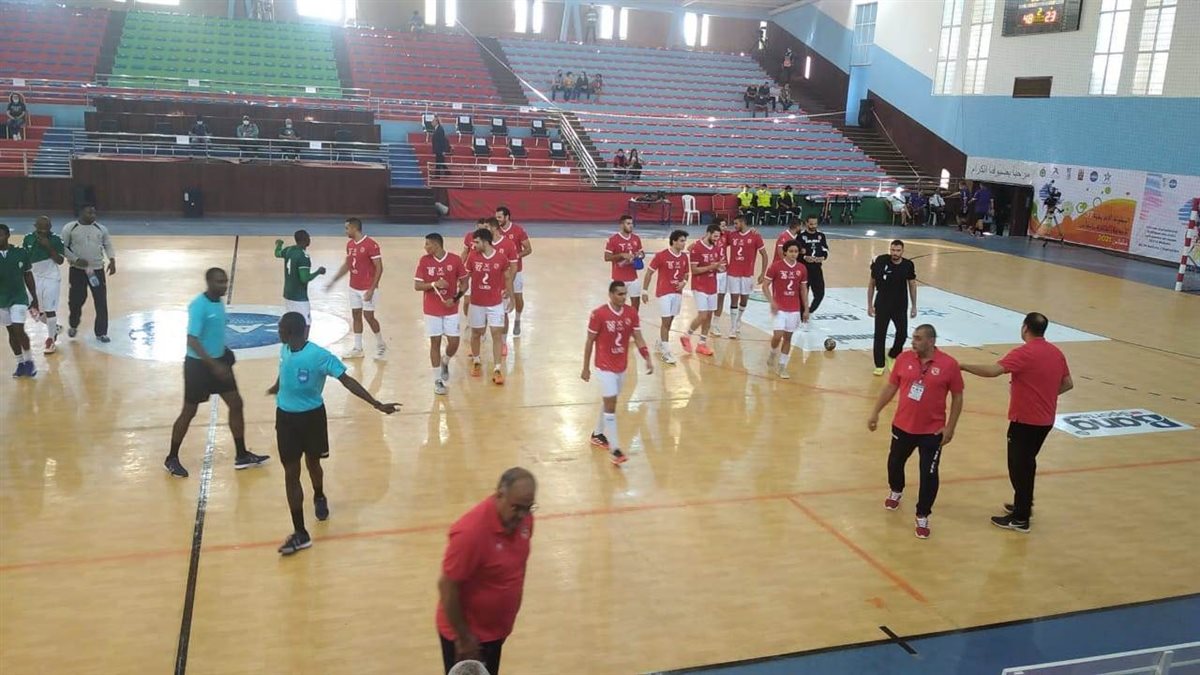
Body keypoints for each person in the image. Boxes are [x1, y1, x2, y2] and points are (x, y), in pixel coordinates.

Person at [268, 312, 400, 555]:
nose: (277, 333)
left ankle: (319, 495)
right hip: (285, 419)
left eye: (279, 329)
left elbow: (346, 381)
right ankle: (300, 532)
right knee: (291, 473)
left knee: (313, 463)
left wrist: (376, 403)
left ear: (290, 332)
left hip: (311, 418)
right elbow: (284, 367)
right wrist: (277, 387)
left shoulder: (319, 356)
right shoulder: (285, 348)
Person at [961, 312, 1073, 533]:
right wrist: (1046, 396)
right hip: (1045, 421)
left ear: (1025, 328)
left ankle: (1021, 518)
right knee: (1026, 463)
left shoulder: (1024, 353)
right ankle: (1023, 504)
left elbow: (993, 371)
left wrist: (963, 366)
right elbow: (1068, 383)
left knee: (1019, 466)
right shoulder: (1056, 353)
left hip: (1025, 420)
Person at [165, 268, 270, 478]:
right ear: (209, 282)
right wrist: (214, 365)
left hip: (219, 361)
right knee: (189, 412)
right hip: (198, 366)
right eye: (219, 282)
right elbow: (192, 340)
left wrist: (224, 353)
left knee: (236, 404)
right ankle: (172, 457)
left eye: (225, 281)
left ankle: (241, 455)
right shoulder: (199, 306)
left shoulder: (219, 303)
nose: (224, 285)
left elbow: (213, 335)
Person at [867, 324, 963, 539]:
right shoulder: (903, 359)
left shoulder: (949, 364)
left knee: (929, 474)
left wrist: (950, 427)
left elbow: (958, 396)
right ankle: (896, 489)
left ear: (931, 341)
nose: (913, 342)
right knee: (894, 463)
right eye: (913, 337)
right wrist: (875, 412)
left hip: (933, 431)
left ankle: (922, 514)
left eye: (918, 338)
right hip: (903, 426)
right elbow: (891, 387)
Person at [437, 467, 537, 675]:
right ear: (500, 495)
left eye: (528, 508)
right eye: (517, 508)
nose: (522, 515)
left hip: (494, 632)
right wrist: (464, 638)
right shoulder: (470, 533)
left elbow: (518, 564)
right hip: (468, 638)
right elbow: (447, 587)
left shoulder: (524, 519)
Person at [582, 281, 653, 465]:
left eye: (625, 294)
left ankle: (597, 434)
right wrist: (585, 367)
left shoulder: (631, 313)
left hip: (621, 366)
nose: (623, 297)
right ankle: (615, 450)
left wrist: (646, 356)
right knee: (611, 404)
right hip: (604, 366)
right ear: (611, 295)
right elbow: (590, 341)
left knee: (609, 401)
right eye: (620, 294)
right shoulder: (599, 314)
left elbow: (638, 337)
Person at [414, 232, 468, 396]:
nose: (425, 247)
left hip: (451, 309)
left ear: (436, 245)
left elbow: (464, 283)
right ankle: (437, 380)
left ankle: (446, 360)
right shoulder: (424, 261)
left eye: (428, 244)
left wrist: (455, 298)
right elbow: (417, 286)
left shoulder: (455, 260)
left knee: (454, 342)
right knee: (435, 342)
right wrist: (434, 284)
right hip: (432, 309)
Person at [327, 217, 385, 359]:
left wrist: (372, 289)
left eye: (347, 228)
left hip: (367, 287)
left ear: (354, 228)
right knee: (356, 315)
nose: (345, 231)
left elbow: (379, 267)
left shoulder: (371, 245)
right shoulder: (350, 245)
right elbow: (348, 264)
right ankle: (358, 348)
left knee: (369, 316)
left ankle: (381, 344)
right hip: (353, 286)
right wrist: (334, 280)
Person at [465, 227, 514, 385]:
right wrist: (459, 294)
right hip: (477, 303)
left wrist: (511, 297)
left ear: (485, 242)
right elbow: (465, 277)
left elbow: (507, 278)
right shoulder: (473, 257)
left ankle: (497, 369)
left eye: (476, 242)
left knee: (496, 334)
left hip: (495, 303)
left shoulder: (501, 258)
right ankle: (477, 361)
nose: (474, 245)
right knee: (476, 333)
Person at [61, 205, 115, 342]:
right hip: (77, 271)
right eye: (89, 213)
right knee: (76, 300)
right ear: (81, 213)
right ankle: (73, 324)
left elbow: (108, 245)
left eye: (94, 213)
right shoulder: (70, 228)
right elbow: (63, 247)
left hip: (96, 270)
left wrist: (112, 259)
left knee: (101, 300)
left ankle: (101, 332)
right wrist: (75, 260)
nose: (92, 215)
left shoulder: (101, 229)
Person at [867, 240, 917, 376]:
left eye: (898, 250)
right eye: (893, 250)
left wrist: (914, 306)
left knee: (902, 333)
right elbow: (872, 283)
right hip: (882, 304)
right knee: (880, 335)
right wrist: (869, 305)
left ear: (902, 251)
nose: (895, 253)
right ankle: (879, 365)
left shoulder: (908, 265)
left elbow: (912, 285)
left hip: (900, 305)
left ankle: (893, 355)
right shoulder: (881, 261)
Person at [763, 239, 810, 379]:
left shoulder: (802, 268)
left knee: (788, 338)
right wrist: (772, 302)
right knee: (777, 335)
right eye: (791, 251)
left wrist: (806, 309)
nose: (793, 254)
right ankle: (773, 352)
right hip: (780, 308)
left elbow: (803, 289)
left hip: (794, 308)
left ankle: (782, 366)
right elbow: (765, 286)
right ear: (785, 252)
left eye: (796, 251)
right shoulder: (775, 267)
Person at [642, 229, 689, 365]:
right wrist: (644, 291)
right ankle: (666, 353)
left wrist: (684, 282)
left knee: (669, 321)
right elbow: (649, 273)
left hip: (677, 293)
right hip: (664, 292)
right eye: (681, 241)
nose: (684, 243)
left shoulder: (684, 257)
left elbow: (686, 274)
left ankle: (660, 342)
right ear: (674, 241)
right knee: (666, 321)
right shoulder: (661, 256)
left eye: (685, 241)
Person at [680, 224, 725, 357]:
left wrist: (719, 268)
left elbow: (717, 266)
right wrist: (712, 267)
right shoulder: (697, 248)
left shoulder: (717, 248)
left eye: (718, 237)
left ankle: (702, 344)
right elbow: (694, 270)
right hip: (699, 286)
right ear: (708, 233)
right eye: (715, 236)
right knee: (703, 315)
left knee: (709, 315)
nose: (716, 239)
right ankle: (686, 335)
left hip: (712, 285)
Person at [22, 216, 65, 354]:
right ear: (35, 226)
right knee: (34, 310)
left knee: (50, 309)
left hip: (51, 277)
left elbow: (60, 261)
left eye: (46, 228)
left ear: (50, 227)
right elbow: (24, 259)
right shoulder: (28, 238)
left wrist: (48, 246)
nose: (43, 231)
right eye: (40, 229)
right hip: (34, 277)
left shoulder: (56, 239)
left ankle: (51, 340)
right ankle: (54, 327)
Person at [0, 223, 38, 377]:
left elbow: (28, 275)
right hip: (1, 299)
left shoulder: (20, 252)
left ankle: (29, 361)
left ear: (8, 235)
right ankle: (20, 363)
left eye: (0, 235)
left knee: (18, 329)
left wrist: (34, 297)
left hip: (19, 297)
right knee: (11, 331)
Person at [724, 215, 767, 338]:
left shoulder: (755, 236)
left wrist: (763, 273)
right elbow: (718, 240)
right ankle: (733, 327)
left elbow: (764, 255)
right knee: (734, 299)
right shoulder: (732, 235)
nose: (734, 226)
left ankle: (739, 319)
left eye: (736, 223)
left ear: (743, 222)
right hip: (733, 273)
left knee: (744, 300)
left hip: (747, 273)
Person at [274, 230, 325, 326]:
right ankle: (304, 337)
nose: (310, 239)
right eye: (308, 237)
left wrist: (279, 244)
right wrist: (318, 272)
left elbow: (277, 253)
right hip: (299, 297)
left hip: (288, 294)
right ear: (305, 240)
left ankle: (291, 336)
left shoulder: (289, 250)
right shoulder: (303, 257)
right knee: (306, 323)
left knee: (291, 322)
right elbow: (304, 279)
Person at [494, 207, 531, 337]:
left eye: (499, 217)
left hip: (516, 270)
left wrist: (514, 257)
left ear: (507, 217)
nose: (497, 219)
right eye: (496, 217)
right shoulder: (495, 231)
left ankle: (518, 319)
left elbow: (528, 249)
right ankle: (500, 329)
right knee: (501, 298)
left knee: (518, 298)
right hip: (499, 272)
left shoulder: (518, 230)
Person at [604, 215, 644, 311]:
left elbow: (642, 253)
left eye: (632, 223)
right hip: (618, 278)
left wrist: (639, 255)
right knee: (618, 303)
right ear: (622, 225)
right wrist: (621, 255)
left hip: (633, 277)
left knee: (636, 303)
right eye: (628, 223)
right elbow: (607, 257)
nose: (631, 226)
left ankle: (633, 319)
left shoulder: (636, 238)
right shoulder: (613, 239)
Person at [797, 216, 829, 317]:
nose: (813, 226)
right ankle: (801, 313)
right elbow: (796, 251)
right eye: (811, 224)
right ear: (806, 223)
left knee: (820, 293)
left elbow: (825, 249)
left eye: (815, 224)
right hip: (804, 269)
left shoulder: (821, 236)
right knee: (802, 293)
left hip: (817, 269)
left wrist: (823, 257)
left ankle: (810, 311)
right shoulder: (801, 236)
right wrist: (804, 257)